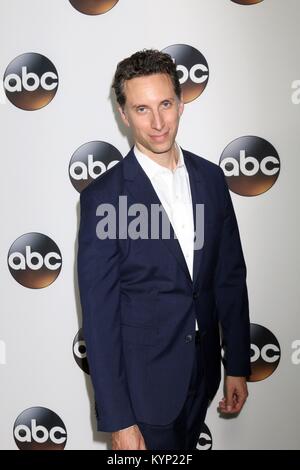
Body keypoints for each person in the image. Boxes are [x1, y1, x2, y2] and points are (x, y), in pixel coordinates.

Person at [77, 49, 251, 450]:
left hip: (202, 377)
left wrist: (237, 364)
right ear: (124, 115)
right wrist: (119, 420)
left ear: (181, 101)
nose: (157, 123)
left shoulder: (211, 179)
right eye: (141, 109)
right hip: (142, 391)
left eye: (165, 104)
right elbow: (100, 318)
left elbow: (229, 277)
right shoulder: (104, 198)